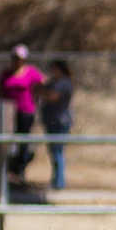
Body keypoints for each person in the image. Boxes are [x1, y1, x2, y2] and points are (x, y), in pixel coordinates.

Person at [0, 46, 47, 184]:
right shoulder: (6, 73)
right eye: (15, 58)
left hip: (25, 111)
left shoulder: (31, 72)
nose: (17, 61)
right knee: (5, 141)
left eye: (19, 59)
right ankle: (3, 170)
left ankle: (19, 170)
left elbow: (44, 83)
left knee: (23, 141)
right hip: (7, 112)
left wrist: (38, 97)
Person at [40, 60, 74, 191]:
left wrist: (44, 93)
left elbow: (52, 96)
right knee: (53, 151)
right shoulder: (54, 82)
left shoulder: (64, 82)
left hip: (60, 122)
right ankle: (56, 180)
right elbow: (40, 89)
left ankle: (59, 183)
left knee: (58, 151)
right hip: (51, 120)